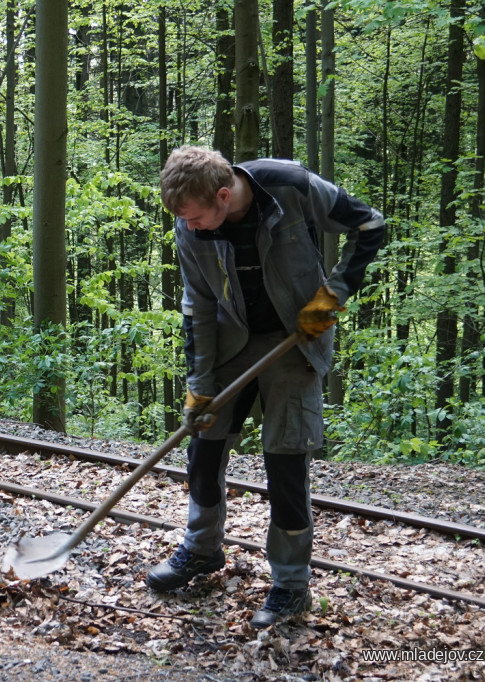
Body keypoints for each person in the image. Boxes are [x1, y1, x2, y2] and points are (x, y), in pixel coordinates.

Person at [148, 146, 385, 628]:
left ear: (222, 194)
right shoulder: (188, 224)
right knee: (204, 449)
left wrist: (333, 294)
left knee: (285, 463)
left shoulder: (292, 187)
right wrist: (200, 385)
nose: (190, 228)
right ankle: (201, 549)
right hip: (231, 344)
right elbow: (198, 305)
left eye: (196, 218)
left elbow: (371, 225)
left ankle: (291, 584)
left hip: (295, 341)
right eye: (184, 221)